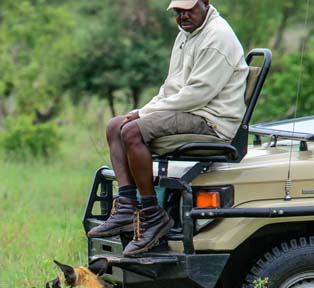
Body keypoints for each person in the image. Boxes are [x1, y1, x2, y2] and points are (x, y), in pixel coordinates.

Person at [88, 0, 248, 257]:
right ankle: (128, 206)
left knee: (132, 131)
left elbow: (197, 94)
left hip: (211, 120)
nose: (183, 16)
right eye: (178, 11)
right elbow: (171, 87)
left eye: (189, 9)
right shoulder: (186, 34)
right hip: (189, 111)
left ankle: (151, 214)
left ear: (205, 3)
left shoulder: (217, 38)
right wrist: (144, 109)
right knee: (115, 125)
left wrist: (144, 114)